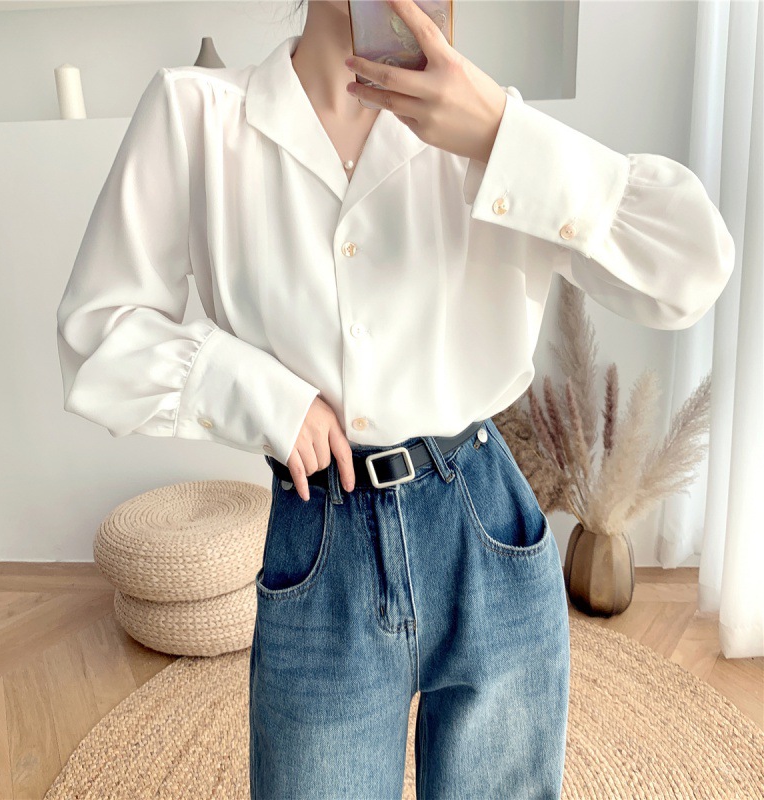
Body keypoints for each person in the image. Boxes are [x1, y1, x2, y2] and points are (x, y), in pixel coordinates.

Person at [55, 1, 735, 797]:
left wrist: (500, 135)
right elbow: (98, 333)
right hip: (321, 534)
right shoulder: (198, 115)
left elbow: (693, 265)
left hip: (483, 517)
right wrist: (263, 396)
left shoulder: (487, 125)